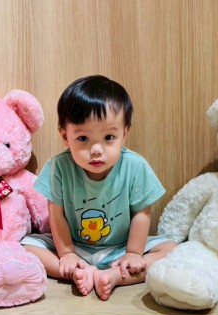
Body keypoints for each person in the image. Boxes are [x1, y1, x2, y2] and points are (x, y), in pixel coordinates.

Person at [22, 75, 176, 300]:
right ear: (65, 136)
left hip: (121, 249)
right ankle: (78, 272)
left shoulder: (135, 166)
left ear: (124, 134)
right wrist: (67, 254)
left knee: (172, 249)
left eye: (108, 137)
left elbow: (142, 213)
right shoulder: (58, 167)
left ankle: (115, 276)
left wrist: (133, 252)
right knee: (25, 247)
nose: (96, 149)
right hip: (75, 246)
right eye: (83, 138)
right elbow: (56, 214)